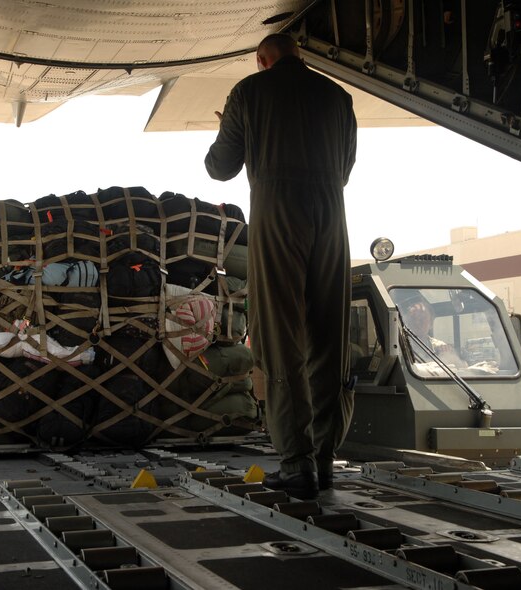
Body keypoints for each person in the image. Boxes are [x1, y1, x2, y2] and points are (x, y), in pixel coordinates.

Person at [204, 33, 357, 500]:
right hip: (332, 212)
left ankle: (297, 464)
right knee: (329, 334)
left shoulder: (249, 92)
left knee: (279, 335)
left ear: (261, 60)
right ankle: (325, 459)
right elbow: (346, 167)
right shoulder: (338, 96)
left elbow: (219, 167)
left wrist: (236, 130)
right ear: (300, 55)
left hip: (277, 210)